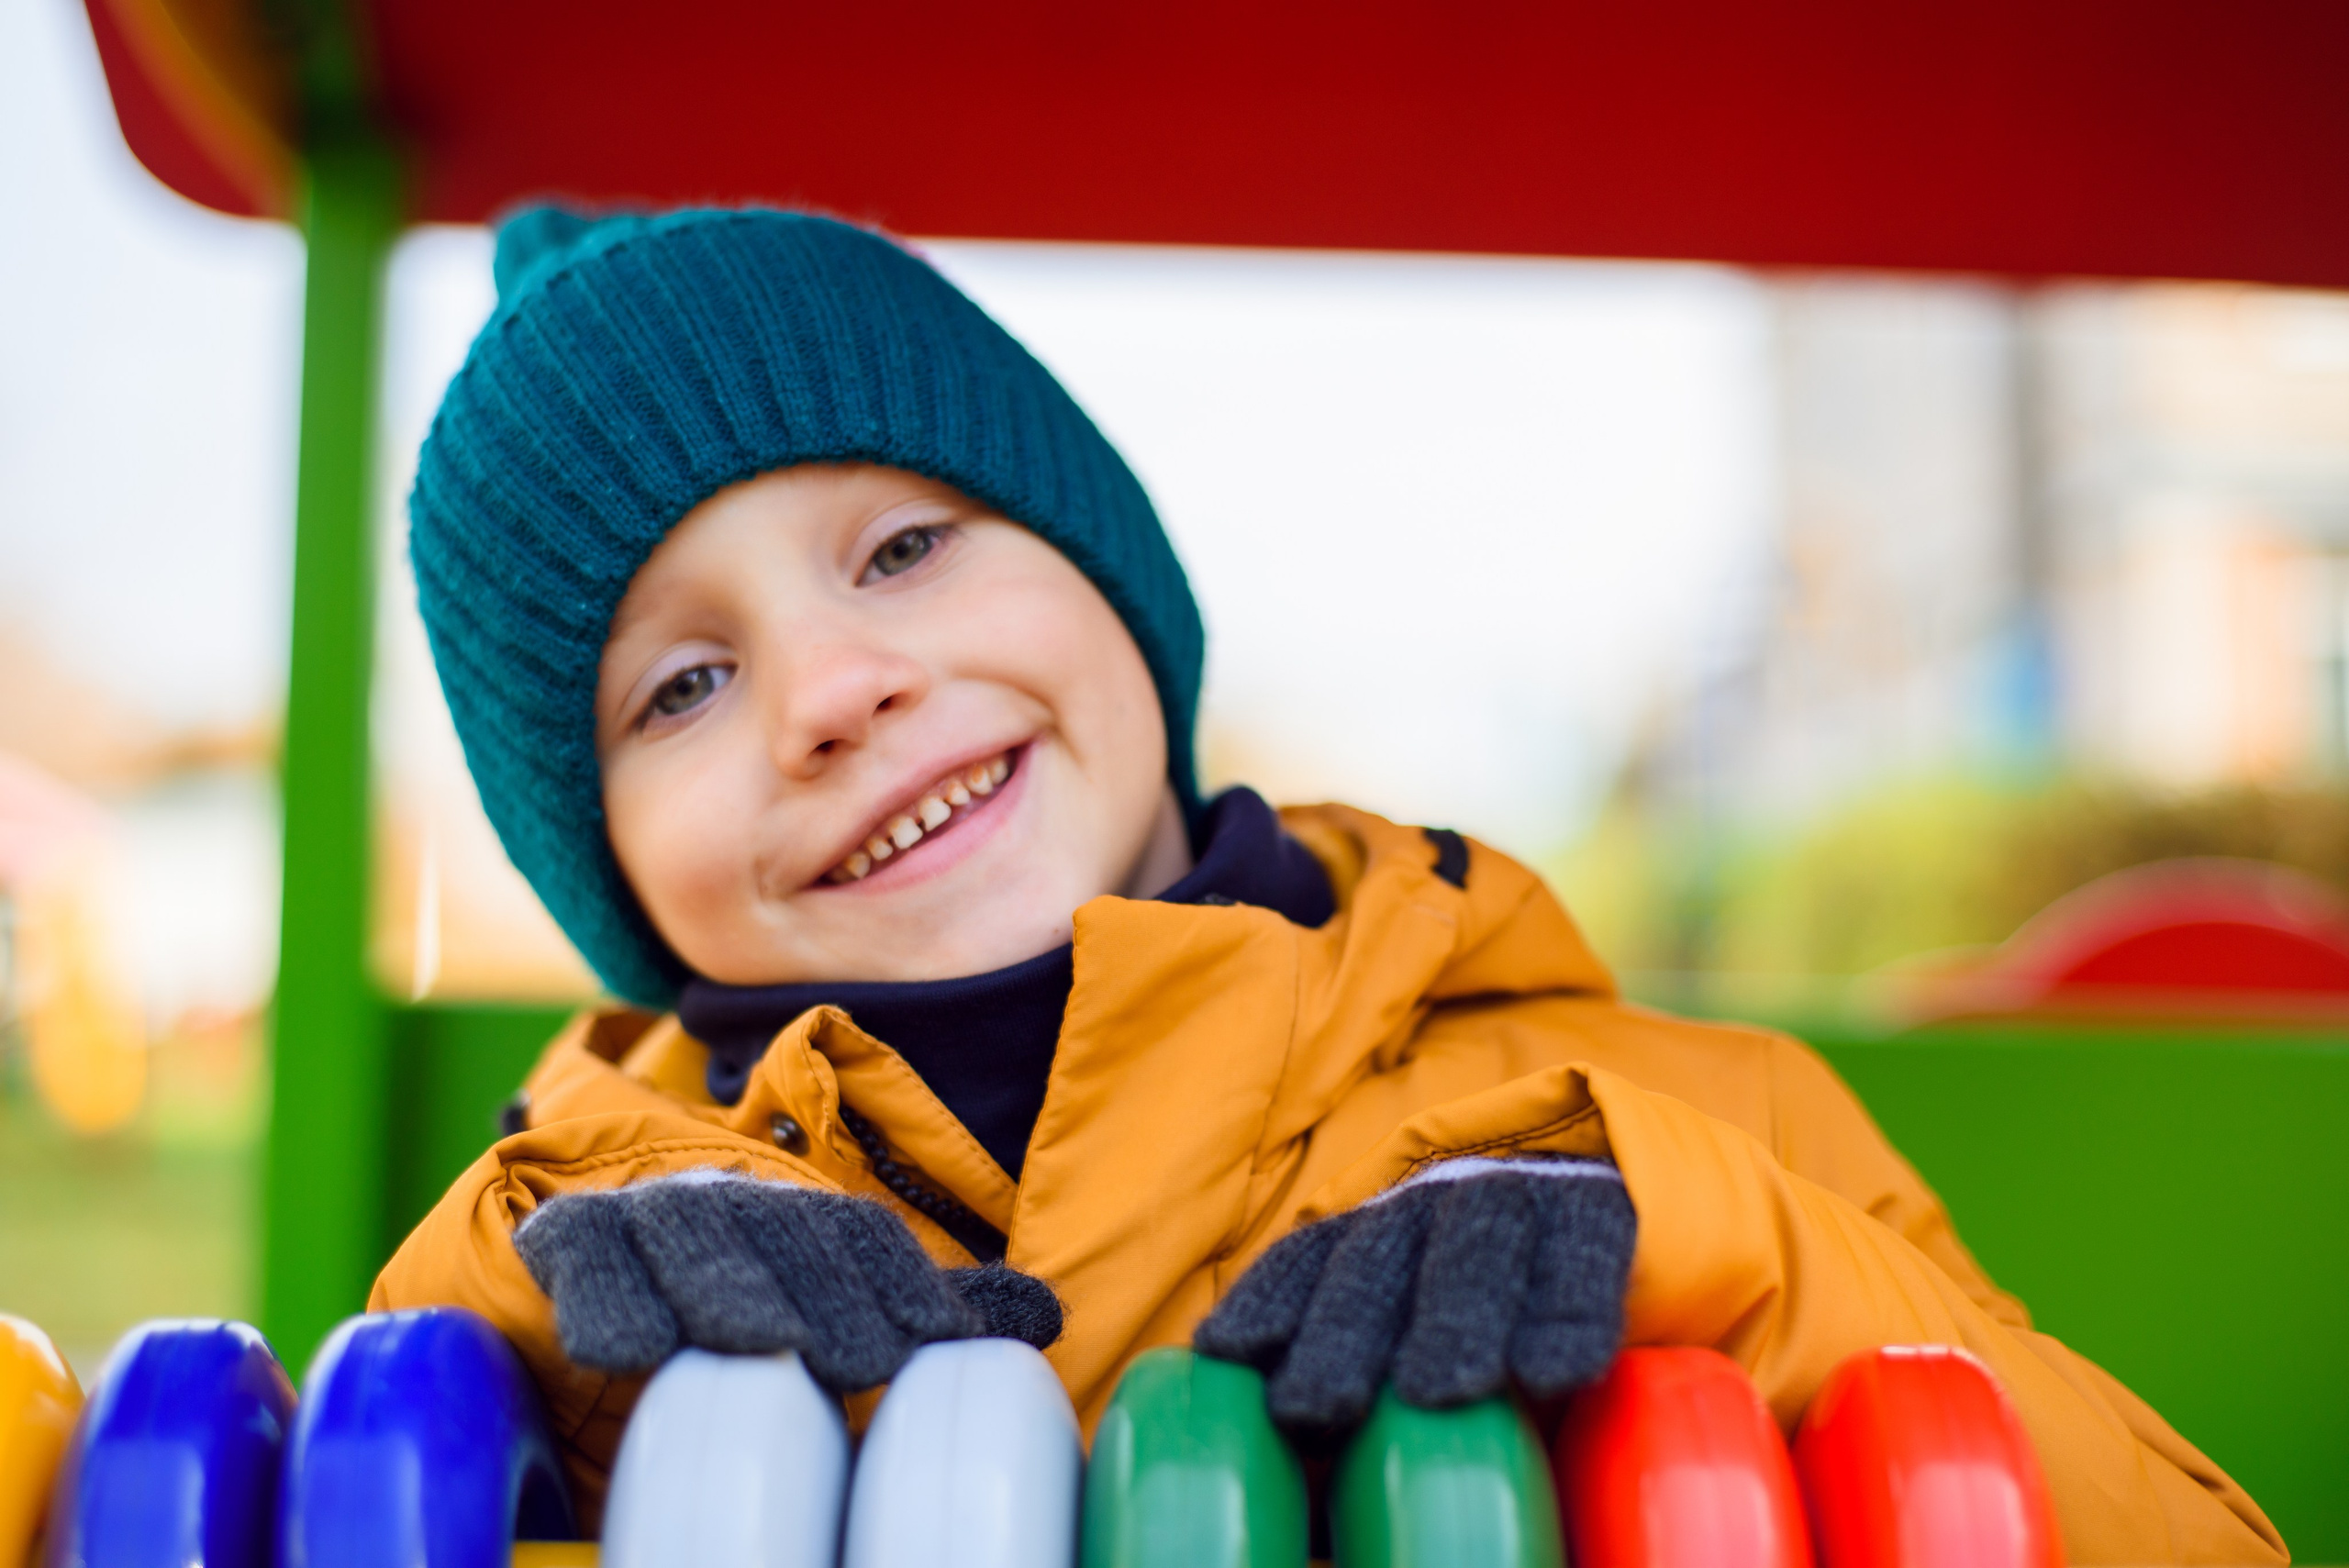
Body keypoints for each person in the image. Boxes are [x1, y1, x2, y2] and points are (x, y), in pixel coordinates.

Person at [375, 206, 2281, 1562]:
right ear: (601, 853)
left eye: (902, 548)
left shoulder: (1675, 1139)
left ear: (1106, 572)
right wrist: (512, 1346)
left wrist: (1723, 1262)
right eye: (682, 686)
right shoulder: (577, 1249)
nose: (832, 690)